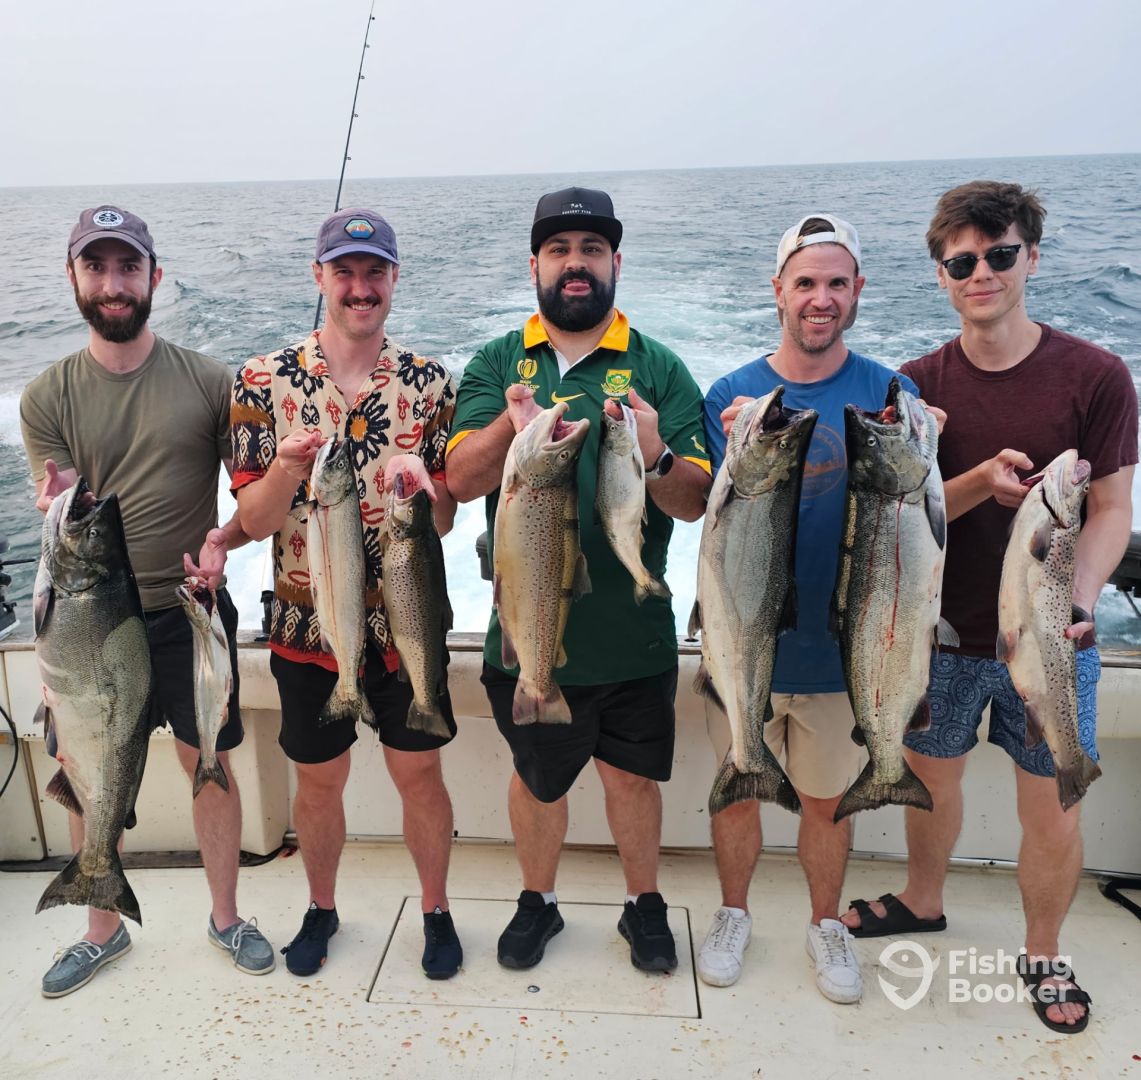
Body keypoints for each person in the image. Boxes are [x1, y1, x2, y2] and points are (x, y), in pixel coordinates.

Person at [842, 182, 1137, 1034]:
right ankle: (922, 899)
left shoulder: (1095, 375)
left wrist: (1076, 600)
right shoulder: (914, 386)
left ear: (1030, 258)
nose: (981, 273)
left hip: (1052, 639)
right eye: (961, 261)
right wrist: (968, 477)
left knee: (1051, 802)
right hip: (938, 635)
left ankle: (1043, 953)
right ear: (940, 275)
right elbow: (900, 511)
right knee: (930, 779)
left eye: (999, 255)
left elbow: (1111, 507)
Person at [446, 187, 711, 973]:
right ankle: (538, 900)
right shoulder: (498, 361)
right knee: (538, 783)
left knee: (631, 782)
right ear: (534, 265)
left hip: (632, 635)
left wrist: (657, 452)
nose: (575, 263)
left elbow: (694, 501)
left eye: (591, 250)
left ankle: (643, 904)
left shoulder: (658, 367)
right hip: (525, 632)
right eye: (558, 250)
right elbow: (460, 480)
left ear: (614, 263)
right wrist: (510, 425)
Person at [20, 205, 275, 997]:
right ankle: (101, 926)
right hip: (88, 623)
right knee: (82, 765)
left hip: (191, 611)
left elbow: (252, 498)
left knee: (211, 764)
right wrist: (55, 499)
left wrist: (226, 539)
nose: (113, 282)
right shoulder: (46, 396)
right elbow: (64, 505)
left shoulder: (209, 380)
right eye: (95, 266)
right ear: (73, 277)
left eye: (127, 266)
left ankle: (226, 917)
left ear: (154, 276)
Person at [231, 208, 463, 980]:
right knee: (318, 780)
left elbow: (444, 521)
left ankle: (435, 909)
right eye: (344, 272)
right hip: (308, 627)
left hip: (407, 626)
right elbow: (253, 520)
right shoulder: (260, 381)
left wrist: (427, 487)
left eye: (373, 273)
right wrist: (287, 469)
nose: (359, 288)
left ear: (393, 278)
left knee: (418, 775)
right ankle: (321, 907)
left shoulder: (432, 383)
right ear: (318, 276)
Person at [696, 215, 922, 1003]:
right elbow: (705, 511)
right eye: (804, 283)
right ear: (778, 292)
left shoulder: (891, 395)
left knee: (826, 804)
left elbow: (920, 515)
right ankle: (732, 913)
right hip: (740, 642)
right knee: (737, 785)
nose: (819, 298)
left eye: (835, 283)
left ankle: (826, 924)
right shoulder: (728, 397)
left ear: (856, 291)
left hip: (846, 652)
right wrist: (681, 449)